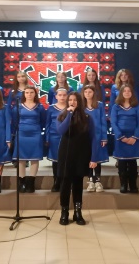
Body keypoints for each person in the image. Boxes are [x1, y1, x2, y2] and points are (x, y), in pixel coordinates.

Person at [56, 91, 98, 225]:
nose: (72, 102)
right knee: (65, 183)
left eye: (75, 100)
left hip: (81, 153)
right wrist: (69, 114)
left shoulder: (87, 117)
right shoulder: (62, 116)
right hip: (66, 153)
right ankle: (64, 212)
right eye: (70, 100)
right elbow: (61, 131)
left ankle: (77, 212)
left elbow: (93, 137)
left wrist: (94, 158)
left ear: (79, 102)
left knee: (78, 183)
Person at [110, 84, 139, 193]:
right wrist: (121, 137)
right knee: (122, 162)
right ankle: (123, 185)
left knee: (132, 162)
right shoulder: (116, 106)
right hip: (121, 138)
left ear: (132, 93)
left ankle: (133, 185)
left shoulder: (136, 106)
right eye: (124, 91)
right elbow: (113, 122)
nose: (127, 93)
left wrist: (135, 137)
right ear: (121, 93)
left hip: (133, 138)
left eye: (129, 91)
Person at [13, 86, 45, 193]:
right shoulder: (18, 106)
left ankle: (31, 182)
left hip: (35, 134)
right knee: (21, 159)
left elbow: (43, 121)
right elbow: (14, 121)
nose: (29, 94)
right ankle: (21, 182)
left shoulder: (40, 107)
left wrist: (38, 130)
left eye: (31, 92)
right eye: (27, 92)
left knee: (34, 158)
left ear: (35, 94)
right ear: (24, 94)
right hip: (21, 134)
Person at [82, 85, 108, 193]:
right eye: (86, 92)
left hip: (97, 135)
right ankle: (90, 181)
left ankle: (97, 180)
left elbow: (103, 121)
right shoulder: (81, 106)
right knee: (87, 157)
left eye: (90, 92)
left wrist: (104, 137)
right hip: (85, 136)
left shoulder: (99, 105)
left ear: (94, 93)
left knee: (97, 157)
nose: (88, 94)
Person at [46, 88, 69, 192]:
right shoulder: (51, 108)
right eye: (60, 95)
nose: (62, 97)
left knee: (66, 160)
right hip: (54, 137)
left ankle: (65, 182)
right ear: (56, 96)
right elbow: (47, 124)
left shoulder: (70, 108)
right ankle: (56, 181)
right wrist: (47, 138)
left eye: (64, 95)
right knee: (56, 160)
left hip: (67, 137)